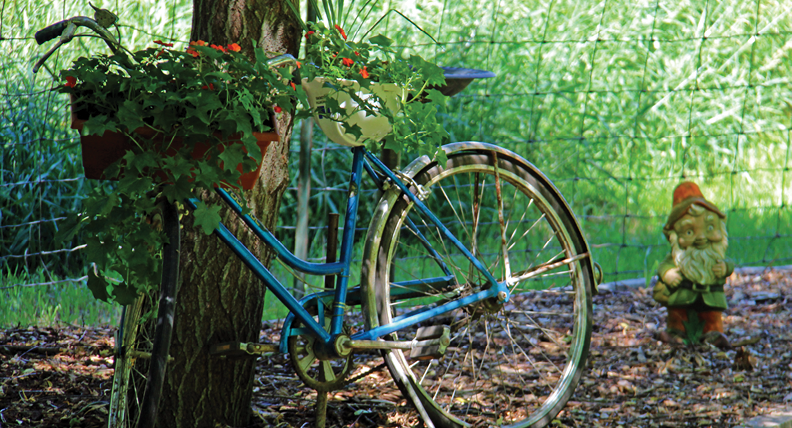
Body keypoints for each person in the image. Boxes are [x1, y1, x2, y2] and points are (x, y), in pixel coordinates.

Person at [653, 182, 732, 348]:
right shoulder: (679, 257)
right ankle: (676, 333)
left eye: (710, 228)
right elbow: (663, 267)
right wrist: (668, 274)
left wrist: (725, 268)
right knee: (678, 316)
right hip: (682, 297)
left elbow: (729, 265)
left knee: (711, 317)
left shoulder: (715, 256)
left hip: (711, 298)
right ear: (674, 235)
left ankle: (713, 334)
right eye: (689, 232)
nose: (701, 237)